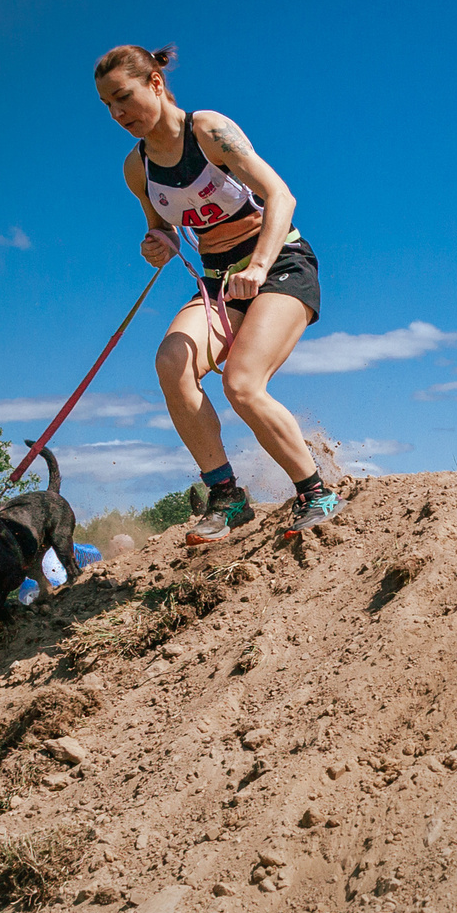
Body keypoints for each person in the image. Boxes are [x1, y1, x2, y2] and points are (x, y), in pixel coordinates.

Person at [95, 44, 340, 543]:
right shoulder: (136, 169)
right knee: (171, 361)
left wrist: (260, 265)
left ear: (156, 85)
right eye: (108, 106)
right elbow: (162, 228)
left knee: (243, 385)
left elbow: (281, 195)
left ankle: (315, 492)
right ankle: (227, 495)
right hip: (218, 283)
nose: (118, 114)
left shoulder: (207, 131)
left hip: (279, 267)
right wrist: (156, 244)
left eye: (124, 97)